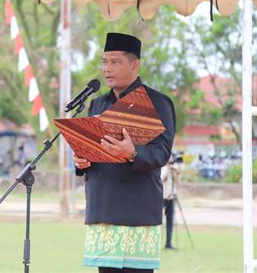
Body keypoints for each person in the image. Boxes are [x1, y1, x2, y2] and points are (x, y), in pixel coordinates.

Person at [73, 32, 176, 273]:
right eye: (104, 62)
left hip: (136, 213)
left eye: (115, 62)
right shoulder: (97, 104)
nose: (107, 68)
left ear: (135, 64)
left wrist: (132, 152)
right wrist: (81, 160)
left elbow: (161, 153)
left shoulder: (158, 102)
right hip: (103, 210)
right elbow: (95, 151)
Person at [160, 153, 181, 249]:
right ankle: (156, 241)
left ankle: (168, 242)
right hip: (162, 197)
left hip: (171, 197)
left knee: (170, 221)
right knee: (158, 220)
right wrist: (167, 169)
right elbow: (161, 179)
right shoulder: (162, 167)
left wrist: (174, 172)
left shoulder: (174, 168)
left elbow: (178, 182)